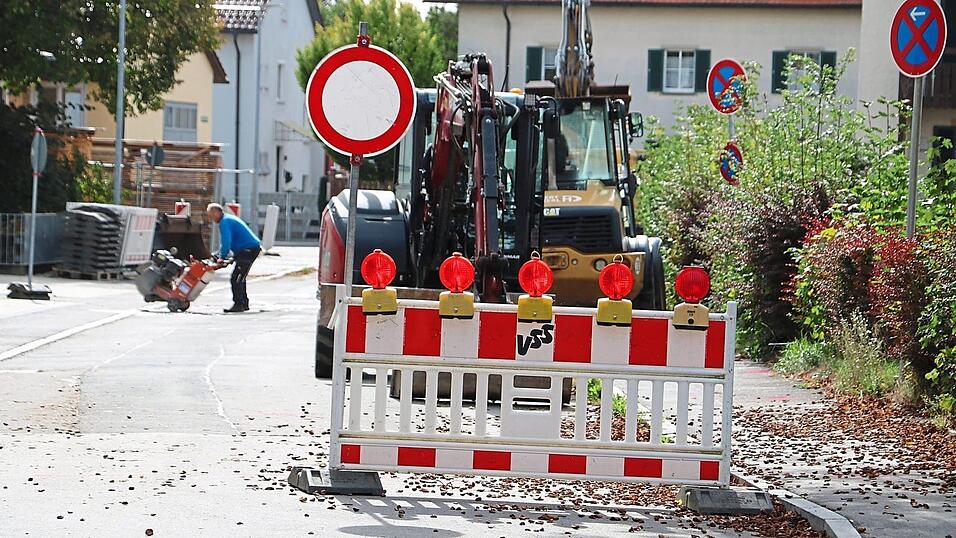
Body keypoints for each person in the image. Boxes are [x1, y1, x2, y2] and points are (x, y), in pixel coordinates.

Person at [206, 203, 261, 313]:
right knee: (240, 276)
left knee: (236, 277)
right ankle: (244, 303)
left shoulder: (225, 222)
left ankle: (239, 303)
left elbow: (226, 242)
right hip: (247, 249)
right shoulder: (228, 219)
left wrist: (222, 257)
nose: (211, 219)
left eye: (211, 216)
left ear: (217, 212)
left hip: (248, 249)